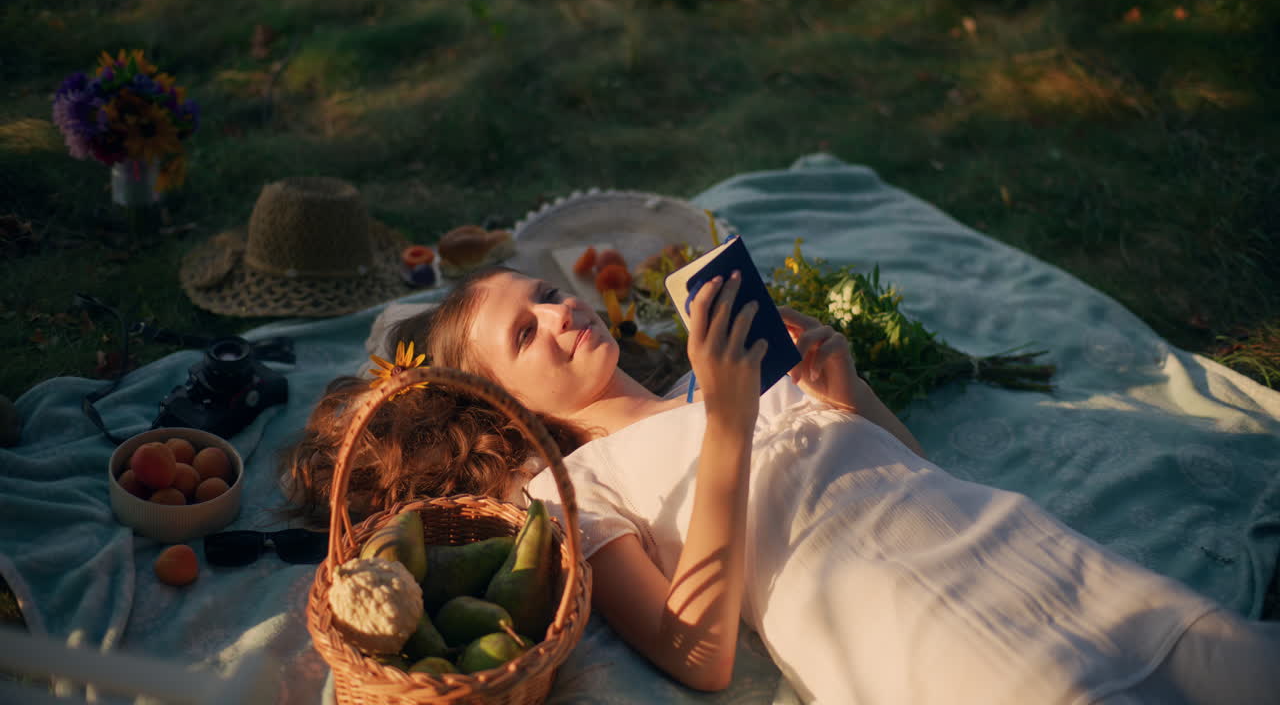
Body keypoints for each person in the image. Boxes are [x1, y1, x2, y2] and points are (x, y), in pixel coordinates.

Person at [281, 265, 1280, 704]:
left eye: (548, 294)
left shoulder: (706, 375)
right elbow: (695, 653)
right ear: (503, 404)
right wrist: (724, 420)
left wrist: (844, 387)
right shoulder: (571, 490)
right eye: (523, 334)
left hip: (1016, 544)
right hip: (909, 619)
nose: (557, 317)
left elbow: (901, 473)